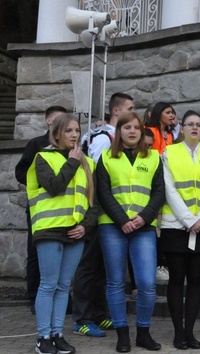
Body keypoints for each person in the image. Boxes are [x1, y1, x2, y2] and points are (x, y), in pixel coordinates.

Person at [26, 113, 97, 354]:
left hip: (75, 232)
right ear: (56, 134)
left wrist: (85, 226)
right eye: (68, 131)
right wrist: (73, 162)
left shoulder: (87, 162)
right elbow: (54, 187)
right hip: (49, 230)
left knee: (64, 285)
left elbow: (93, 203)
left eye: (77, 130)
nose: (75, 135)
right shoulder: (43, 157)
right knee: (48, 285)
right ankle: (43, 337)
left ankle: (57, 334)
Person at [97, 111, 164, 352]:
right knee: (116, 282)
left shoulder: (154, 157)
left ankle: (143, 333)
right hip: (112, 226)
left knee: (147, 283)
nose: (132, 131)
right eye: (127, 128)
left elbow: (159, 192)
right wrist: (122, 220)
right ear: (119, 131)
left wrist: (143, 218)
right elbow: (103, 193)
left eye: (136, 127)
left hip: (143, 226)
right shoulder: (105, 157)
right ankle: (122, 335)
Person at [72, 92, 135, 339]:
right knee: (88, 266)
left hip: (106, 213)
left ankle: (98, 314)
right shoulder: (103, 139)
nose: (133, 112)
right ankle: (83, 318)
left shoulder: (112, 137)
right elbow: (96, 180)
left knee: (101, 267)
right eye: (129, 108)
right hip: (94, 211)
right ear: (117, 111)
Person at [160, 111, 200, 349]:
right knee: (177, 279)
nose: (194, 128)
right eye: (190, 124)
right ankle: (177, 333)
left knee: (196, 280)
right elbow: (169, 188)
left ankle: (190, 331)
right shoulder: (170, 152)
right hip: (176, 225)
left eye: (198, 124)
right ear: (182, 129)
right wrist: (188, 219)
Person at [15, 105, 67, 314]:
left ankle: (61, 297)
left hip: (65, 212)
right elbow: (21, 172)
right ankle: (35, 297)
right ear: (48, 121)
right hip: (41, 211)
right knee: (36, 253)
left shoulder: (69, 147)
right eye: (59, 120)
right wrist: (40, 183)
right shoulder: (36, 144)